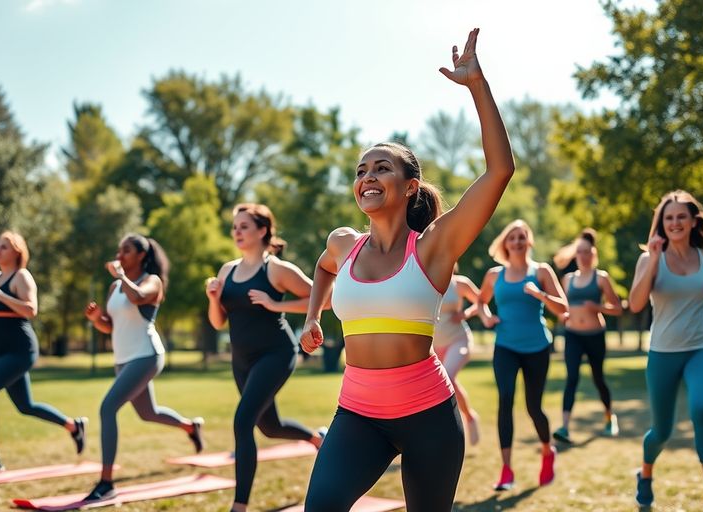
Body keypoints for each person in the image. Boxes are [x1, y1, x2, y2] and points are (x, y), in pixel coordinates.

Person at [299, 28, 516, 511]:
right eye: (360, 170)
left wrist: (477, 86)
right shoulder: (342, 245)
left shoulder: (434, 248)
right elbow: (322, 267)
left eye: (380, 168)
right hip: (357, 413)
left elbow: (500, 170)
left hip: (428, 417)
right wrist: (313, 315)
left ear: (410, 186)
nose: (367, 176)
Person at [205, 203, 327, 512]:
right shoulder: (227, 270)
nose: (237, 232)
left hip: (275, 353)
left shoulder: (275, 269)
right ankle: (317, 440)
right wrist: (212, 298)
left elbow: (323, 298)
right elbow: (217, 322)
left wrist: (276, 305)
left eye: (244, 226)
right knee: (268, 426)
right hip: (241, 359)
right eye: (235, 227)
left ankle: (239, 506)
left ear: (262, 231)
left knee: (242, 421)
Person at [628, 190, 703, 512]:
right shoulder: (648, 259)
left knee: (701, 409)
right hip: (663, 352)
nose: (675, 223)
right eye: (669, 218)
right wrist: (655, 258)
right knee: (662, 431)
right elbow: (635, 303)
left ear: (692, 221)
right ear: (662, 223)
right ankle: (645, 475)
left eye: (681, 217)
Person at [82, 234, 203, 501]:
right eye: (119, 250)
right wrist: (96, 319)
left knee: (107, 408)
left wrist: (122, 277)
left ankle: (106, 482)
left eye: (126, 250)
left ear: (141, 256)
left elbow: (137, 298)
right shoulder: (115, 287)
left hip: (146, 356)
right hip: (123, 359)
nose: (120, 255)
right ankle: (190, 427)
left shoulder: (152, 282)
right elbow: (112, 326)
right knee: (149, 413)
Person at [0, 231, 84, 481]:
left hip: (21, 350)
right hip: (0, 351)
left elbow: (31, 310)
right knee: (25, 407)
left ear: (17, 252)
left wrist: (2, 296)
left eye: (4, 247)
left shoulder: (22, 276)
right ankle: (73, 426)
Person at [477, 219, 567, 490]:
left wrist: (540, 295)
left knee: (533, 406)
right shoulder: (495, 275)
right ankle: (506, 470)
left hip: (537, 347)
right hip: (505, 345)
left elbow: (563, 309)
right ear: (505, 243)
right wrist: (486, 317)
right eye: (512, 237)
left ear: (529, 242)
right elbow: (481, 301)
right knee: (505, 399)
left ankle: (547, 451)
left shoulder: (541, 272)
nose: (516, 241)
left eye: (521, 237)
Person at [550, 228, 623, 443]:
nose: (584, 256)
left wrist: (598, 307)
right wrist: (563, 316)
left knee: (598, 378)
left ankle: (610, 418)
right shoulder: (568, 280)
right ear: (576, 254)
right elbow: (563, 307)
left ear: (594, 254)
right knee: (571, 378)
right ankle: (564, 427)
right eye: (580, 252)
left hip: (595, 335)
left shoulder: (601, 278)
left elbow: (618, 308)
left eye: (587, 252)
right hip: (572, 334)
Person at [433, 269, 482, 445]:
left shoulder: (459, 283)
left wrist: (465, 314)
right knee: (448, 382)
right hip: (434, 346)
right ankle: (469, 416)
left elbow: (481, 301)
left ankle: (465, 420)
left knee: (448, 377)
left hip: (458, 340)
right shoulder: (427, 280)